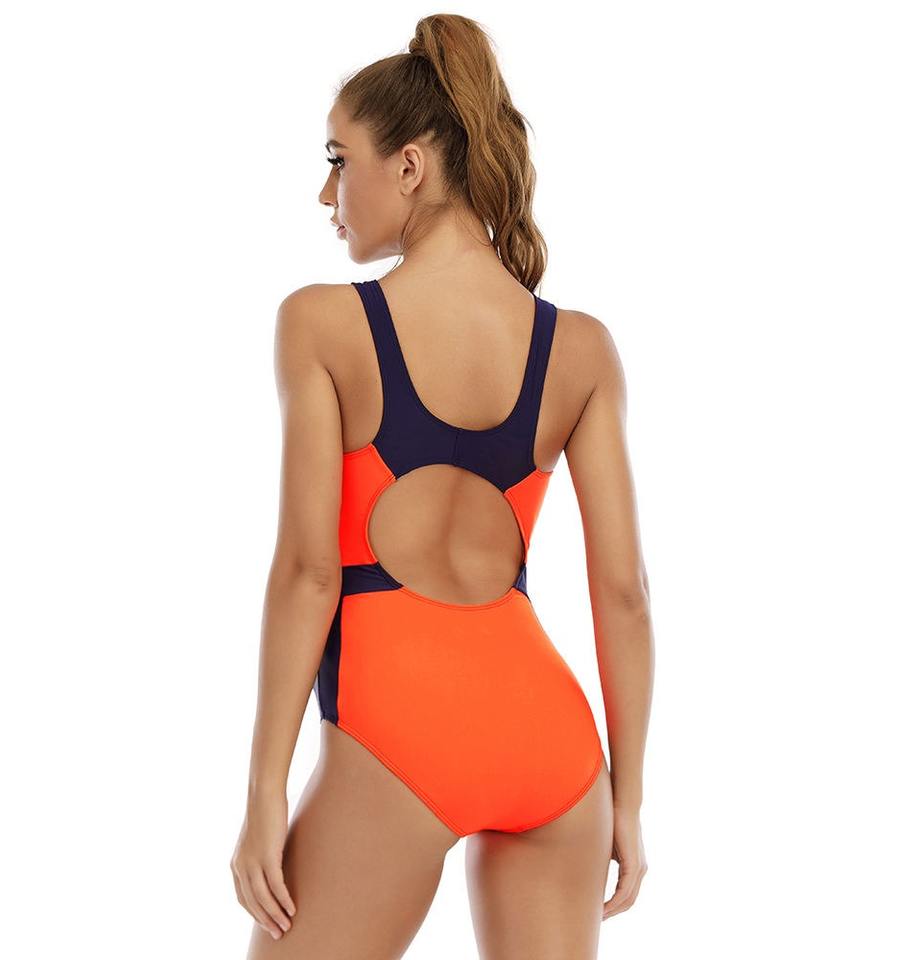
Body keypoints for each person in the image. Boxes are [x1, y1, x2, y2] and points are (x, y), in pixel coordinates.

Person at [230, 13, 653, 959]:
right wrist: (625, 798)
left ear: (410, 167)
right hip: (553, 750)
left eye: (340, 160)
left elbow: (309, 573)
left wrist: (264, 794)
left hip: (399, 738)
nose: (327, 192)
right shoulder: (581, 350)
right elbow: (624, 593)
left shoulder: (321, 327)